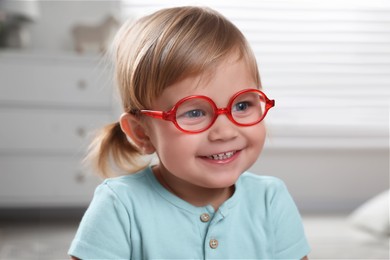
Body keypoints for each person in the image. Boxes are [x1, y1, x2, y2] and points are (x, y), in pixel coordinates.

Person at [68, 6, 310, 260]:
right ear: (142, 133)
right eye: (194, 113)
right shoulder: (120, 205)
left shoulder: (270, 200)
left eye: (242, 105)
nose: (225, 131)